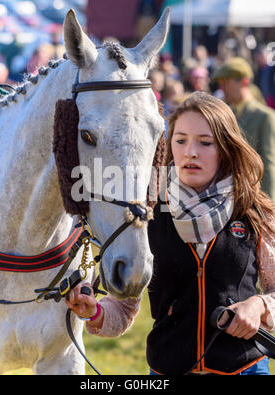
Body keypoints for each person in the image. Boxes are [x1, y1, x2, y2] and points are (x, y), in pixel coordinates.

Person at [66, 92, 275, 375]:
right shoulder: (147, 211)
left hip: (245, 368)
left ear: (226, 147)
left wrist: (258, 305)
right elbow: (124, 306)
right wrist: (95, 312)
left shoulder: (253, 210)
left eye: (205, 142)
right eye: (181, 140)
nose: (191, 152)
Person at [212, 57, 275, 205]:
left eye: (226, 82)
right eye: (221, 83)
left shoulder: (265, 117)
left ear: (245, 81)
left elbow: (269, 165)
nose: (222, 88)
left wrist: (270, 207)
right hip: (223, 199)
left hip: (252, 199)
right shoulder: (224, 114)